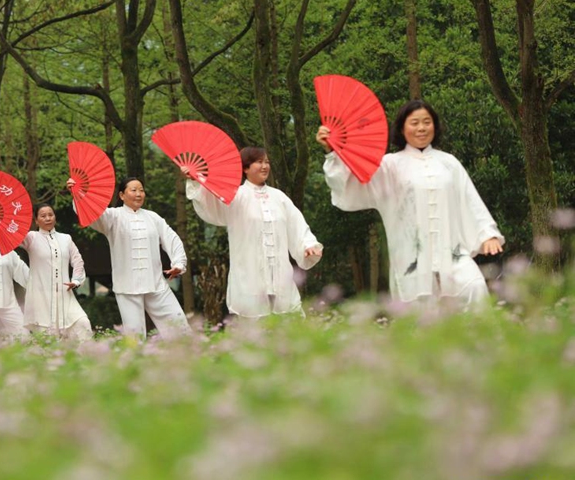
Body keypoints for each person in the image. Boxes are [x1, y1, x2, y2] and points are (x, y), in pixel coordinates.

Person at [316, 99, 504, 305]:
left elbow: (468, 199)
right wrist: (332, 152)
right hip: (411, 257)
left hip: (452, 251)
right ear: (402, 128)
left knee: (474, 287)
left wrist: (487, 234)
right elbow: (353, 185)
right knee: (420, 313)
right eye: (414, 123)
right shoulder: (389, 165)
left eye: (427, 122)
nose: (421, 128)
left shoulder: (449, 163)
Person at [183, 147, 324, 321]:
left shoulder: (278, 197)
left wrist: (307, 245)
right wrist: (196, 180)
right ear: (246, 168)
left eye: (267, 162)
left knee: (288, 326)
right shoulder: (236, 196)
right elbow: (211, 204)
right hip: (248, 276)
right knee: (254, 330)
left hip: (280, 277)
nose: (265, 166)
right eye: (259, 162)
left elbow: (296, 224)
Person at [67, 177, 191, 339]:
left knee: (178, 326)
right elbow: (92, 214)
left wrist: (179, 264)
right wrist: (78, 194)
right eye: (133, 190)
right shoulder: (112, 216)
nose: (138, 194)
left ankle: (187, 360)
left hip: (156, 284)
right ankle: (136, 363)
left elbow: (171, 239)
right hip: (127, 286)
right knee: (135, 336)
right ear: (122, 195)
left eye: (141, 190)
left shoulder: (153, 218)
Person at [19, 204, 93, 342]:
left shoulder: (66, 238)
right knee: (49, 338)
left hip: (65, 295)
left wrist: (76, 280)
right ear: (36, 220)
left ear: (55, 217)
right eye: (43, 216)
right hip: (41, 297)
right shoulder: (31, 238)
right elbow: (11, 235)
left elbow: (77, 260)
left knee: (83, 324)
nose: (48, 218)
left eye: (50, 214)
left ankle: (87, 360)